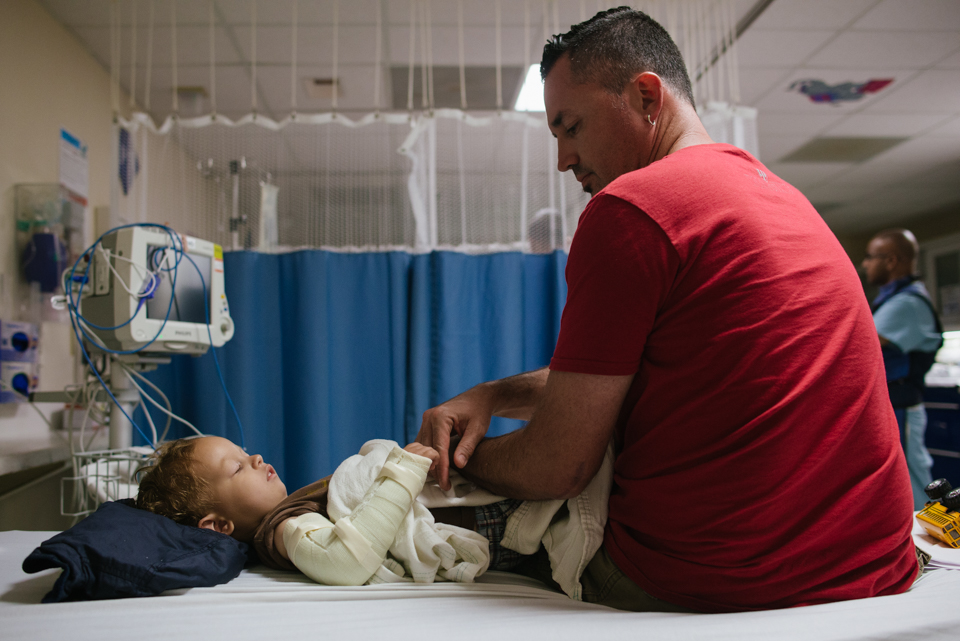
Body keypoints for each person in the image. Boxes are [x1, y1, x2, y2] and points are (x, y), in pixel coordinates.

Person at [417, 7, 919, 614]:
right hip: (875, 564)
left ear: (646, 95)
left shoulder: (630, 209)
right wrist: (496, 396)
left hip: (717, 582)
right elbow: (677, 368)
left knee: (425, 505)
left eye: (570, 127)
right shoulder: (783, 198)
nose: (563, 160)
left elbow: (557, 466)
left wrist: (451, 463)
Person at [135, 435, 613, 596]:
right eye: (237, 466)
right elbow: (345, 561)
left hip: (476, 509)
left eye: (247, 452)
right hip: (485, 522)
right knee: (597, 461)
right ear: (219, 525)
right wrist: (401, 472)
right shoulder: (280, 529)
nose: (256, 459)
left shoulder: (289, 509)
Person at [862, 229, 943, 509]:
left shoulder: (906, 302)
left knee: (910, 476)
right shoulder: (895, 298)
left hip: (902, 406)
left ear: (892, 260)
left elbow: (861, 340)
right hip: (894, 405)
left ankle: (927, 546)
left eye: (871, 257)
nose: (866, 264)